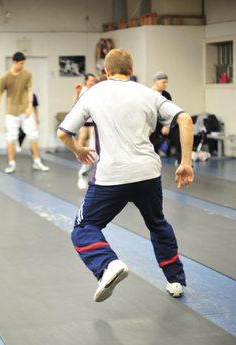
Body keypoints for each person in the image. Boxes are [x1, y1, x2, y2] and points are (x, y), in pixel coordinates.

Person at [57, 49, 194, 302]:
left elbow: (63, 133)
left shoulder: (93, 92)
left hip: (112, 176)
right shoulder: (149, 93)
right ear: (131, 71)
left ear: (106, 72)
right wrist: (186, 162)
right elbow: (185, 120)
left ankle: (108, 264)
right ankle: (175, 280)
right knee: (157, 224)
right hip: (147, 174)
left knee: (83, 227)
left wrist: (78, 151)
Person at [0, 51, 49, 173]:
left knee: (33, 135)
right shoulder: (5, 77)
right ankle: (11, 164)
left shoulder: (27, 74)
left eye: (24, 63)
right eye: (21, 63)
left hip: (25, 110)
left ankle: (37, 162)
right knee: (11, 137)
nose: (23, 65)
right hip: (11, 112)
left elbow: (29, 90)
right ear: (14, 62)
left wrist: (29, 107)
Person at [74, 73, 98, 190]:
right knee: (83, 137)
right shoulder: (83, 90)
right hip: (84, 119)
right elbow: (76, 104)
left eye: (94, 80)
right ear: (86, 81)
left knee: (91, 143)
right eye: (90, 80)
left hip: (93, 120)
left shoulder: (96, 90)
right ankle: (79, 154)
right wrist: (77, 93)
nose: (92, 82)